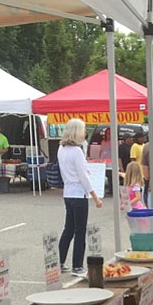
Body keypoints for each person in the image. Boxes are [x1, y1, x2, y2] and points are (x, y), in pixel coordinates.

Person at [57, 118, 103, 275]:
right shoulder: (77, 151)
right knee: (80, 231)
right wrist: (95, 196)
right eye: (83, 130)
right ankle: (77, 266)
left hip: (68, 192)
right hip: (78, 194)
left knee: (68, 229)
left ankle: (60, 261)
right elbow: (83, 176)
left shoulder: (61, 149)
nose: (85, 133)